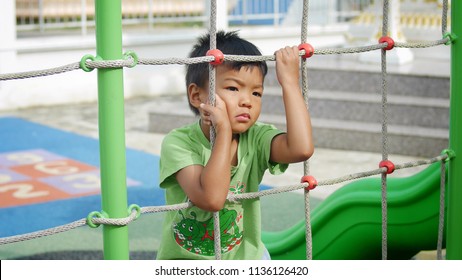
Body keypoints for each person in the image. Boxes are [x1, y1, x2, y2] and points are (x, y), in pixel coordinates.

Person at [157, 30, 314, 260]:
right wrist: (223, 133)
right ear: (196, 95)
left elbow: (301, 148)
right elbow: (211, 199)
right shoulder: (179, 143)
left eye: (257, 92)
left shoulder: (256, 138)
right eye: (233, 88)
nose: (247, 101)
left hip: (247, 259)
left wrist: (289, 83)